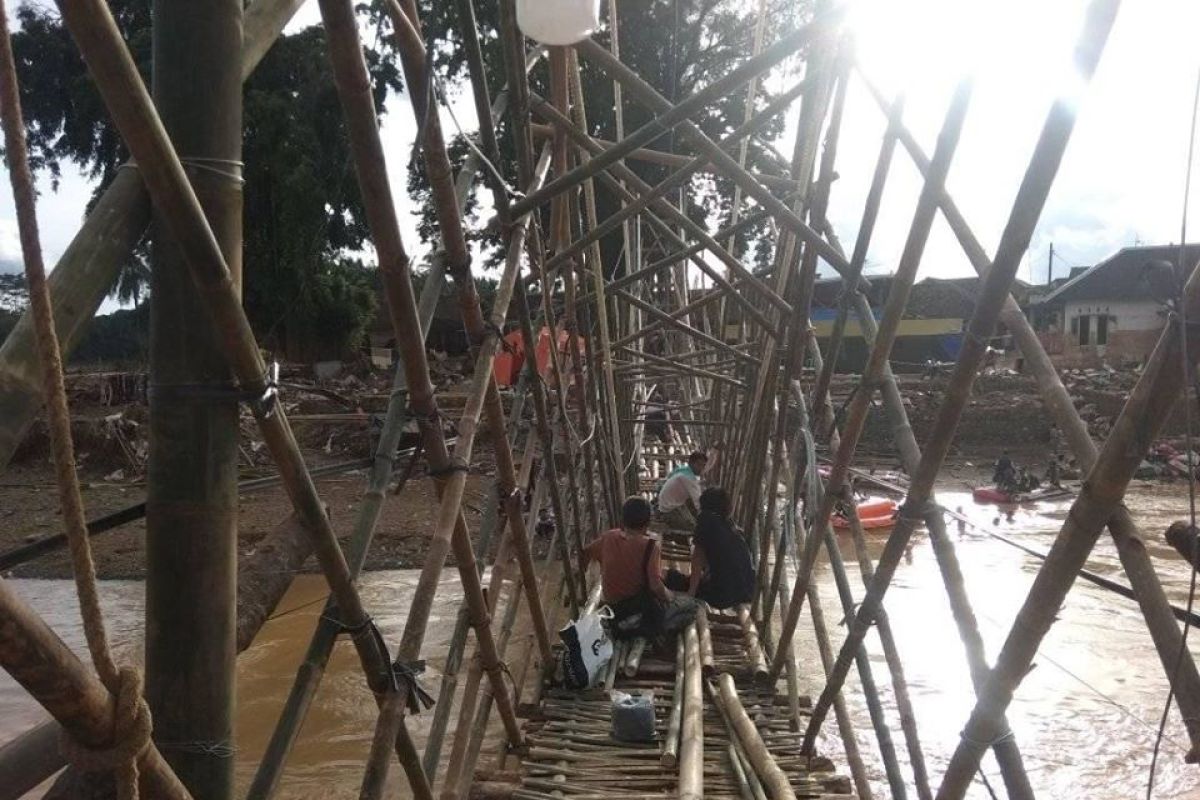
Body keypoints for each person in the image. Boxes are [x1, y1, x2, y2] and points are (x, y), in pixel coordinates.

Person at [582, 497, 672, 639]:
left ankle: (629, 623)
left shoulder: (609, 536)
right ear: (648, 522)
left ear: (623, 520)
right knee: (689, 608)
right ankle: (638, 624)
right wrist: (670, 598)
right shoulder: (650, 545)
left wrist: (583, 577)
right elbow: (655, 586)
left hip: (612, 605)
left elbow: (586, 552)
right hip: (633, 607)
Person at [664, 487, 754, 610]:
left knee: (670, 576)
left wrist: (691, 592)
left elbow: (697, 558)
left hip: (722, 596)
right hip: (745, 592)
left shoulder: (706, 519)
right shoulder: (729, 525)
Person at [655, 451, 707, 530]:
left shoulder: (681, 469)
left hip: (663, 504)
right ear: (691, 463)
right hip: (669, 510)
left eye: (703, 466)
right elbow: (699, 503)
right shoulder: (689, 479)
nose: (701, 468)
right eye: (699, 465)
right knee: (693, 529)